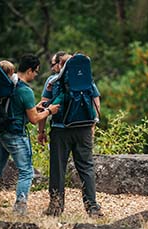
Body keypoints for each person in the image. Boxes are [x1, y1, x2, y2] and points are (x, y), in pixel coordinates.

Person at [0, 54, 60, 217]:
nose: (36, 75)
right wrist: (49, 111)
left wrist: (35, 107)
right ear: (30, 70)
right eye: (36, 72)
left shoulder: (8, 85)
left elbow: (17, 111)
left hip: (2, 133)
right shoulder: (25, 90)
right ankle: (19, 210)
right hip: (17, 136)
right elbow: (33, 119)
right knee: (26, 172)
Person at [38, 51, 103, 218]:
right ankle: (93, 208)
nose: (52, 68)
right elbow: (96, 100)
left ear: (60, 64)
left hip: (61, 129)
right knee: (86, 167)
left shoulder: (52, 81)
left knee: (58, 168)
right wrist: (93, 125)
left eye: (53, 64)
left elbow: (44, 105)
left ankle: (56, 208)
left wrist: (41, 130)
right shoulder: (86, 79)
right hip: (84, 128)